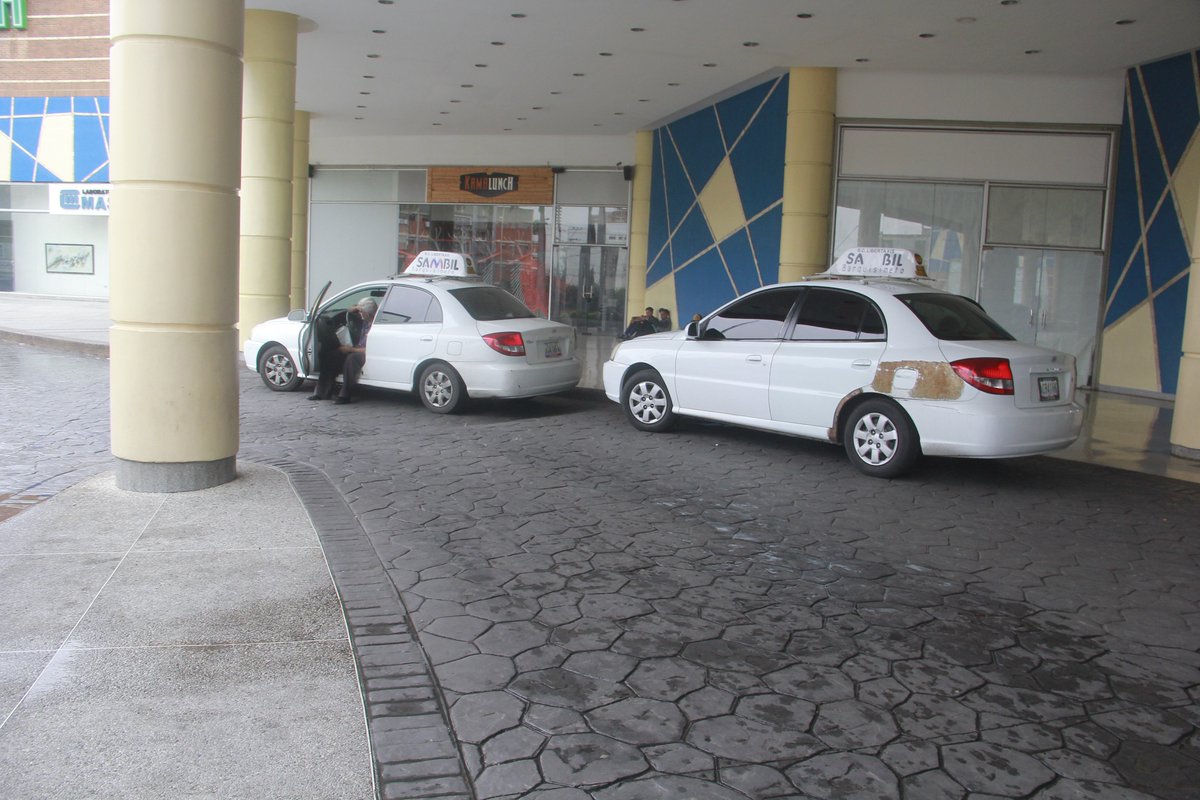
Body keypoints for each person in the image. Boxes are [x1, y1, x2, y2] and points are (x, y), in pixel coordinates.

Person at [334, 297, 378, 404]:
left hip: (367, 353)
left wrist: (350, 349)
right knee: (334, 354)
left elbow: (369, 350)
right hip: (358, 348)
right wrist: (358, 308)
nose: (360, 315)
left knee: (351, 358)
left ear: (369, 313)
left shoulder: (375, 325)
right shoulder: (365, 320)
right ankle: (323, 391)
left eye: (362, 312)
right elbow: (350, 310)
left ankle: (345, 394)